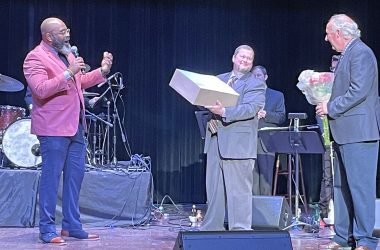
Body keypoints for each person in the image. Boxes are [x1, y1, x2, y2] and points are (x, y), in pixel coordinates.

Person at [23, 17, 113, 245]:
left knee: (74, 179)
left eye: (67, 30)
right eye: (63, 32)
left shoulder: (68, 55)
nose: (68, 35)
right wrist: (68, 73)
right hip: (53, 128)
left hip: (75, 126)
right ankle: (46, 229)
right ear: (48, 36)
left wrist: (102, 72)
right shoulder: (34, 57)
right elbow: (41, 90)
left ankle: (72, 226)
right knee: (51, 180)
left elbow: (79, 82)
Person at [316, 14, 379, 250]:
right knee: (341, 187)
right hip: (343, 131)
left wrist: (330, 106)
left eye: (328, 33)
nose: (326, 38)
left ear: (340, 33)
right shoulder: (347, 55)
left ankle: (366, 240)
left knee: (360, 188)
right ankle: (343, 237)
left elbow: (359, 90)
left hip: (359, 133)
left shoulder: (361, 53)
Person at [200, 45, 266, 231]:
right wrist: (209, 117)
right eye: (242, 57)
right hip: (215, 141)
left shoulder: (256, 83)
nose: (245, 61)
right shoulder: (219, 80)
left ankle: (240, 232)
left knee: (239, 194)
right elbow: (206, 104)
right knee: (214, 192)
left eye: (249, 59)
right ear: (234, 58)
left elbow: (250, 108)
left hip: (239, 145)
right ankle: (211, 230)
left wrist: (223, 112)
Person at [251, 65, 286, 196]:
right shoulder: (247, 95)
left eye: (258, 75)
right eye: (253, 76)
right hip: (250, 138)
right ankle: (253, 208)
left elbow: (281, 117)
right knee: (252, 176)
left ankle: (265, 210)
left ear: (265, 77)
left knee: (266, 176)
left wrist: (266, 114)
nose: (255, 78)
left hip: (267, 140)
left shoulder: (276, 95)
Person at [317, 55, 339, 223]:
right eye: (332, 69)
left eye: (336, 68)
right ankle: (324, 213)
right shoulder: (325, 88)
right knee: (327, 176)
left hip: (344, 136)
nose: (334, 71)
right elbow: (319, 111)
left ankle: (343, 212)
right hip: (328, 139)